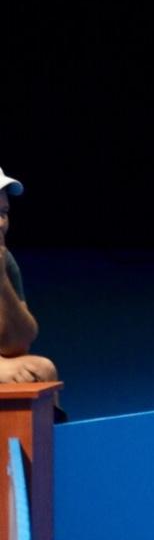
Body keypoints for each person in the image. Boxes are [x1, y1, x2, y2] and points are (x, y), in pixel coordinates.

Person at [0, 169, 62, 419]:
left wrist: (1, 279)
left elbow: (19, 342)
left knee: (41, 370)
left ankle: (43, 457)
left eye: (3, 213)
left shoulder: (5, 261)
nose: (0, 224)